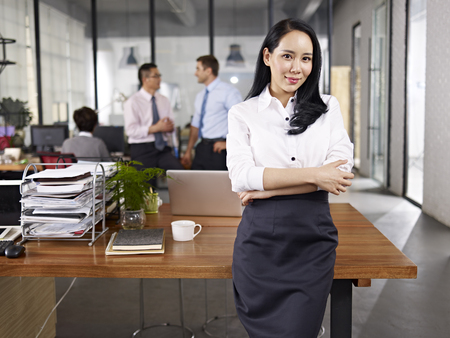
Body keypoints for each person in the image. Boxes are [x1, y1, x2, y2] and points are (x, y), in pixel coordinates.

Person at [226, 19, 355, 338]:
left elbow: (338, 174)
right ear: (267, 56)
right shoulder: (243, 113)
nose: (297, 67)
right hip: (259, 244)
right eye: (288, 56)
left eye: (306, 58)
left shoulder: (328, 108)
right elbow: (241, 177)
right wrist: (315, 176)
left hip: (313, 238)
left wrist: (267, 190)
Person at [181, 55, 242, 170]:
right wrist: (188, 151)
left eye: (198, 69)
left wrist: (229, 144)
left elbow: (241, 119)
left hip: (219, 149)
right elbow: (195, 126)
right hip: (202, 147)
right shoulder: (200, 96)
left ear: (208, 71)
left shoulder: (228, 92)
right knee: (195, 185)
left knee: (218, 187)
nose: (195, 73)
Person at [124, 63, 184, 174]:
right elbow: (131, 131)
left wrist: (169, 127)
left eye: (159, 75)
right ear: (145, 79)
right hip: (142, 149)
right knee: (146, 188)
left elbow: (171, 125)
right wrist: (156, 128)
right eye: (156, 76)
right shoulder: (132, 102)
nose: (159, 79)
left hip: (162, 148)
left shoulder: (164, 100)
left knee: (181, 176)